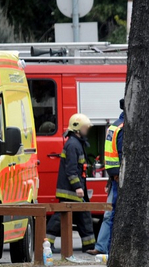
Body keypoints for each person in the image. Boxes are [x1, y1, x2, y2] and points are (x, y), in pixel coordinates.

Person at [46, 113, 97, 253]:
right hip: (71, 192)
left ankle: (89, 245)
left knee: (84, 217)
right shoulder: (73, 145)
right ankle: (46, 242)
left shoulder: (76, 143)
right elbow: (71, 170)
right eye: (85, 127)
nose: (87, 130)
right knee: (60, 217)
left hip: (74, 191)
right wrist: (78, 188)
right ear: (77, 128)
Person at [88, 99, 125, 256]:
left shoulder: (114, 126)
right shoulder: (124, 127)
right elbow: (123, 153)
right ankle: (108, 248)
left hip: (114, 176)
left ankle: (102, 246)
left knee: (110, 214)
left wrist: (112, 175)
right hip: (120, 178)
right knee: (115, 213)